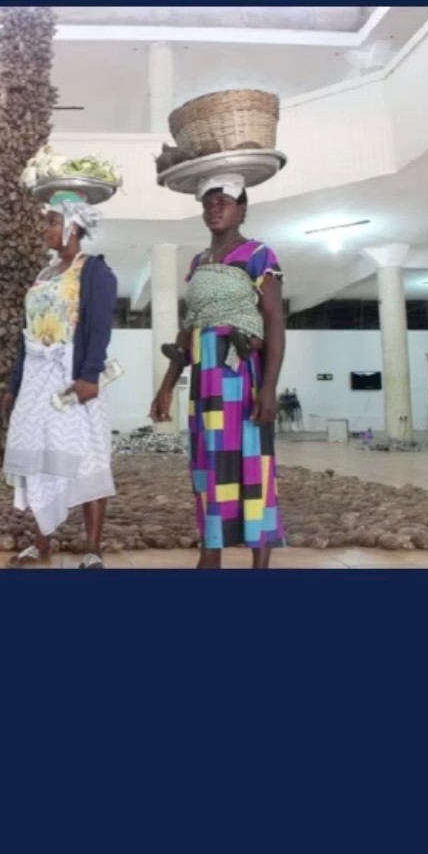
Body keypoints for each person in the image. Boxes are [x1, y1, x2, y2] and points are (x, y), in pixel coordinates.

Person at [152, 173, 288, 568]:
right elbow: (187, 330)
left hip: (241, 375)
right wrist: (165, 387)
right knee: (207, 464)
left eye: (223, 202)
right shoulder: (198, 263)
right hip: (204, 379)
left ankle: (258, 563)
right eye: (208, 203)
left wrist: (270, 390)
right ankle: (209, 553)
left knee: (253, 463)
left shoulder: (259, 254)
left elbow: (274, 321)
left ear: (241, 209)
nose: (214, 208)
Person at [3, 191, 118, 569]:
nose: (45, 229)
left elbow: (99, 327)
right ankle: (41, 543)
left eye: (52, 221)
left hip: (72, 380)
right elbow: (28, 332)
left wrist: (89, 376)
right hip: (37, 379)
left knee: (86, 458)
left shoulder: (94, 271)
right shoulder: (43, 275)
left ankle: (93, 548)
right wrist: (15, 385)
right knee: (38, 460)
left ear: (73, 225)